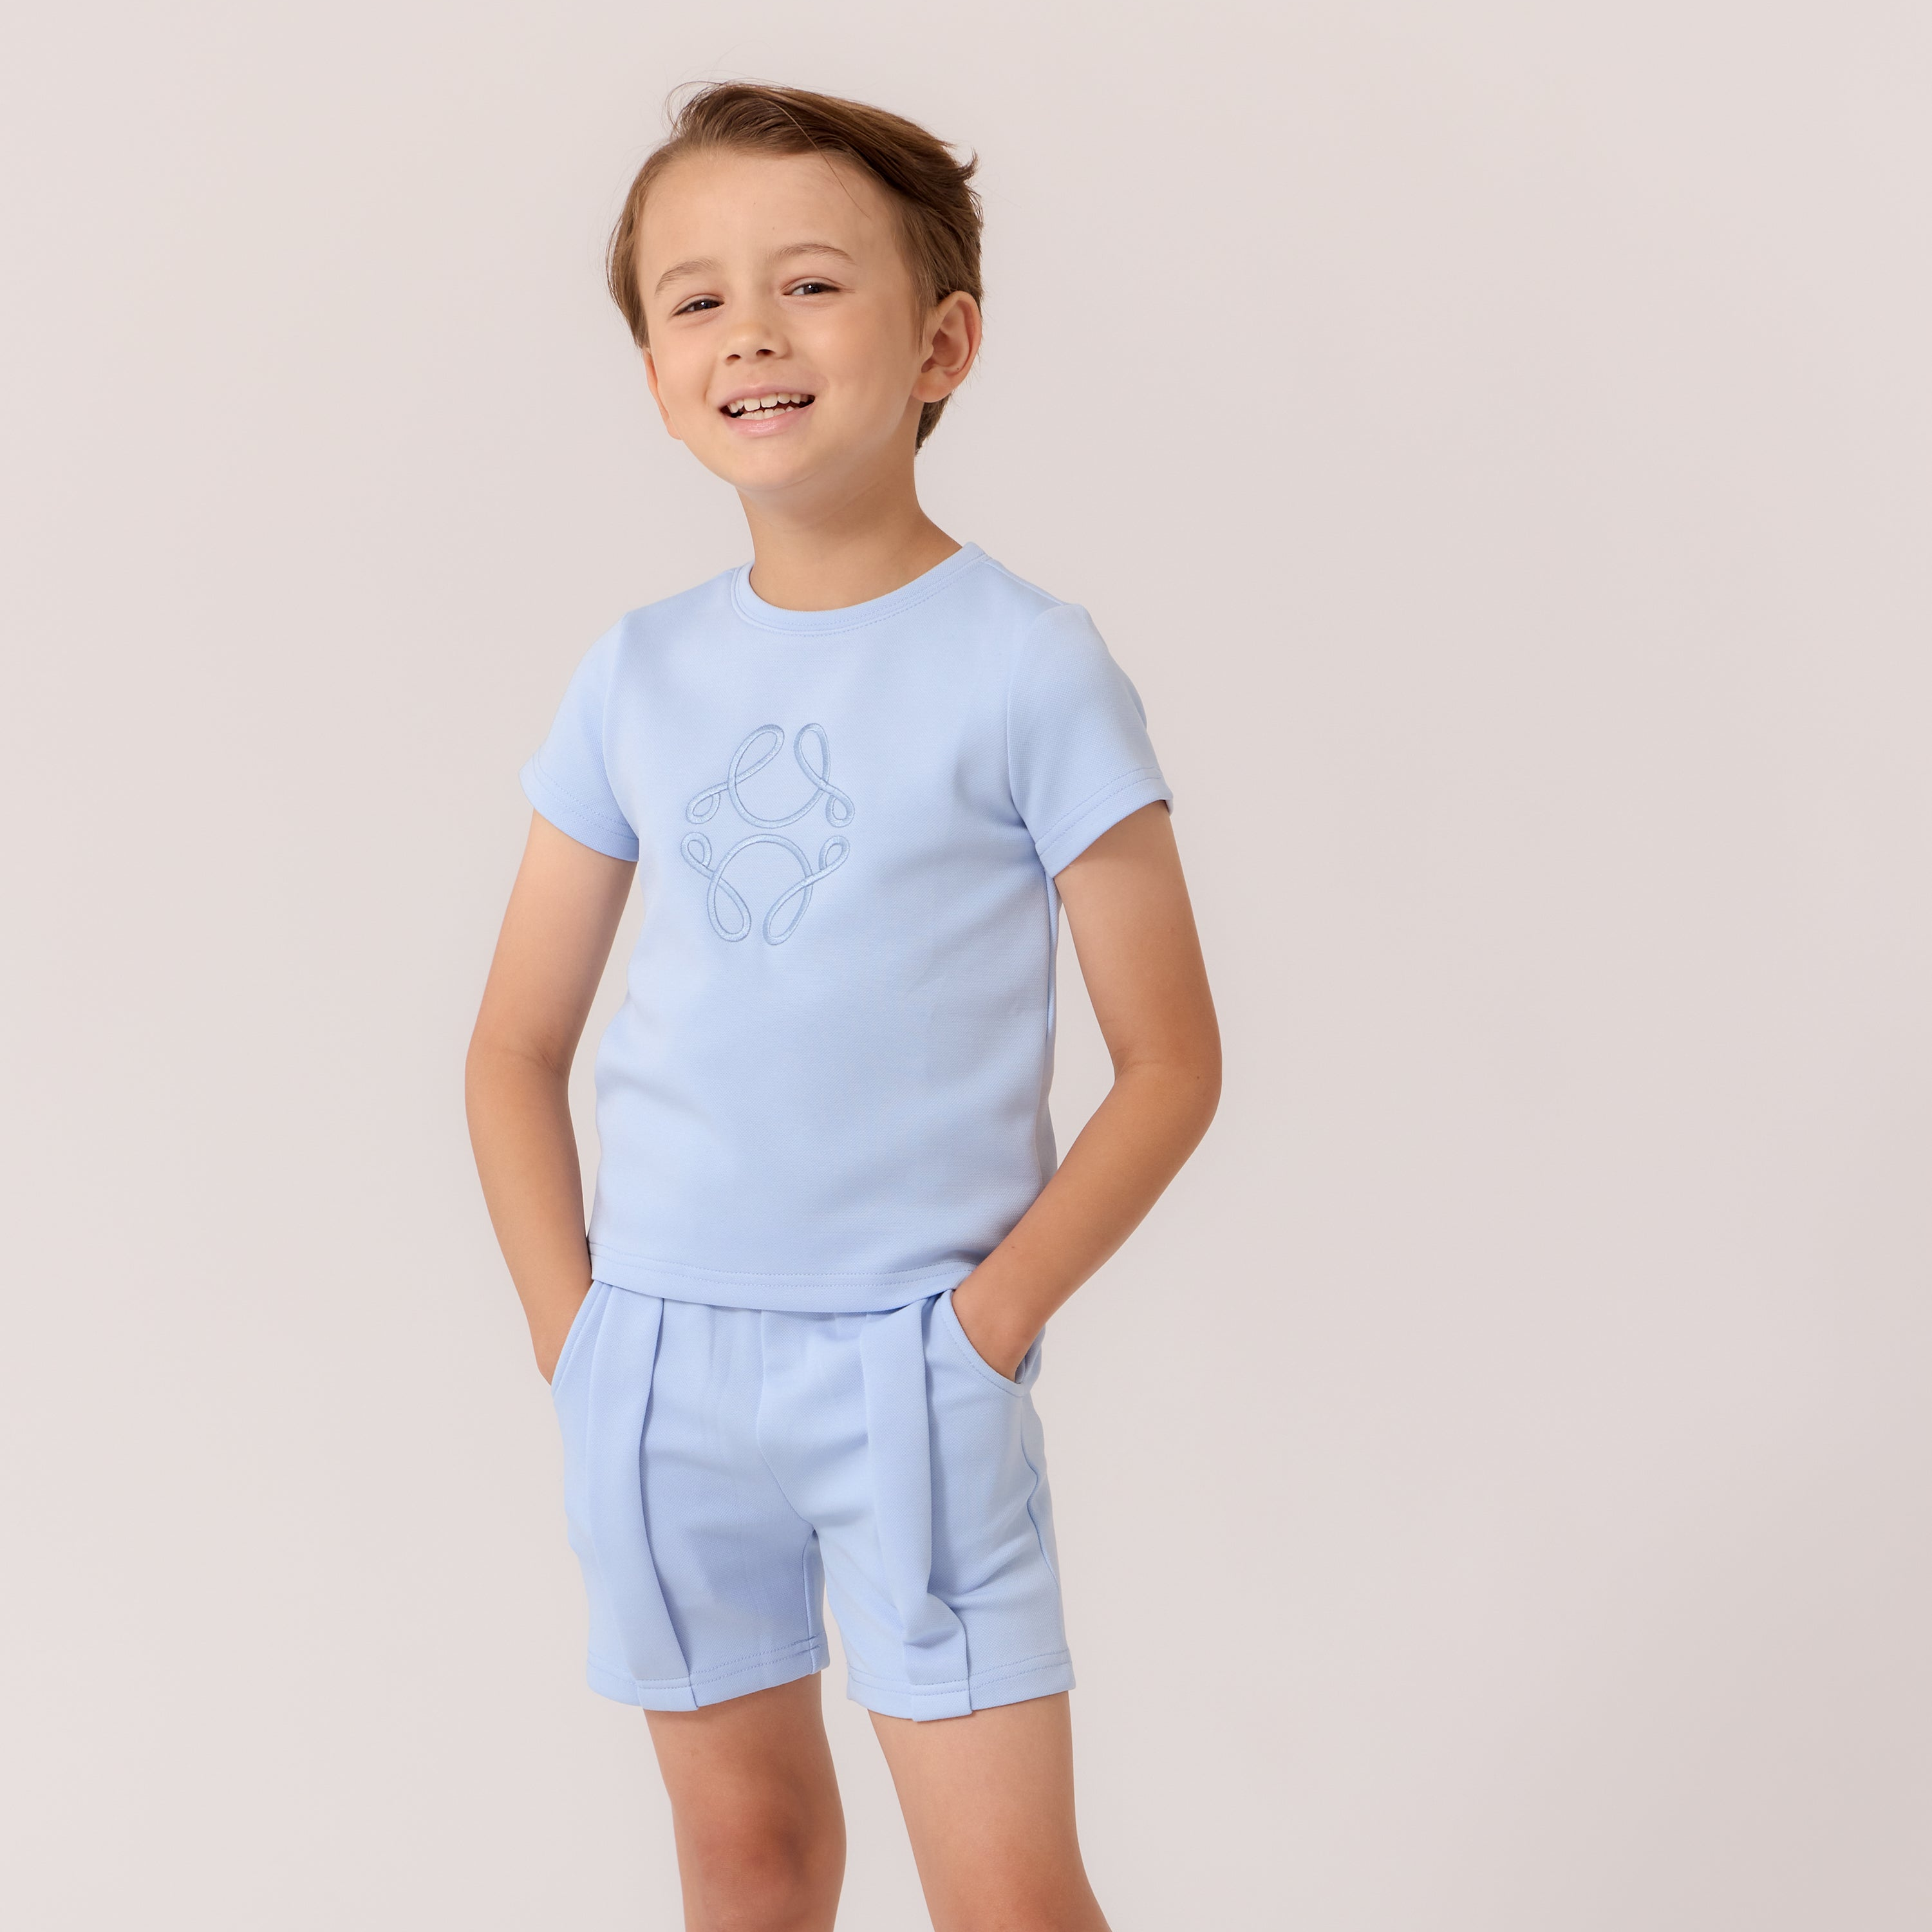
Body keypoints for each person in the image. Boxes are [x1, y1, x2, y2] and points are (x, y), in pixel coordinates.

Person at [465, 80, 1220, 1932]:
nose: (753, 334)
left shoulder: (1029, 666)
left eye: (810, 284)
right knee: (749, 1864)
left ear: (943, 343)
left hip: (912, 1366)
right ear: (656, 370)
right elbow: (511, 1048)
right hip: (659, 1368)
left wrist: (982, 1330)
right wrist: (582, 1341)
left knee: (1008, 1894)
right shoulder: (637, 673)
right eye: (698, 298)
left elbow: (1172, 1063)